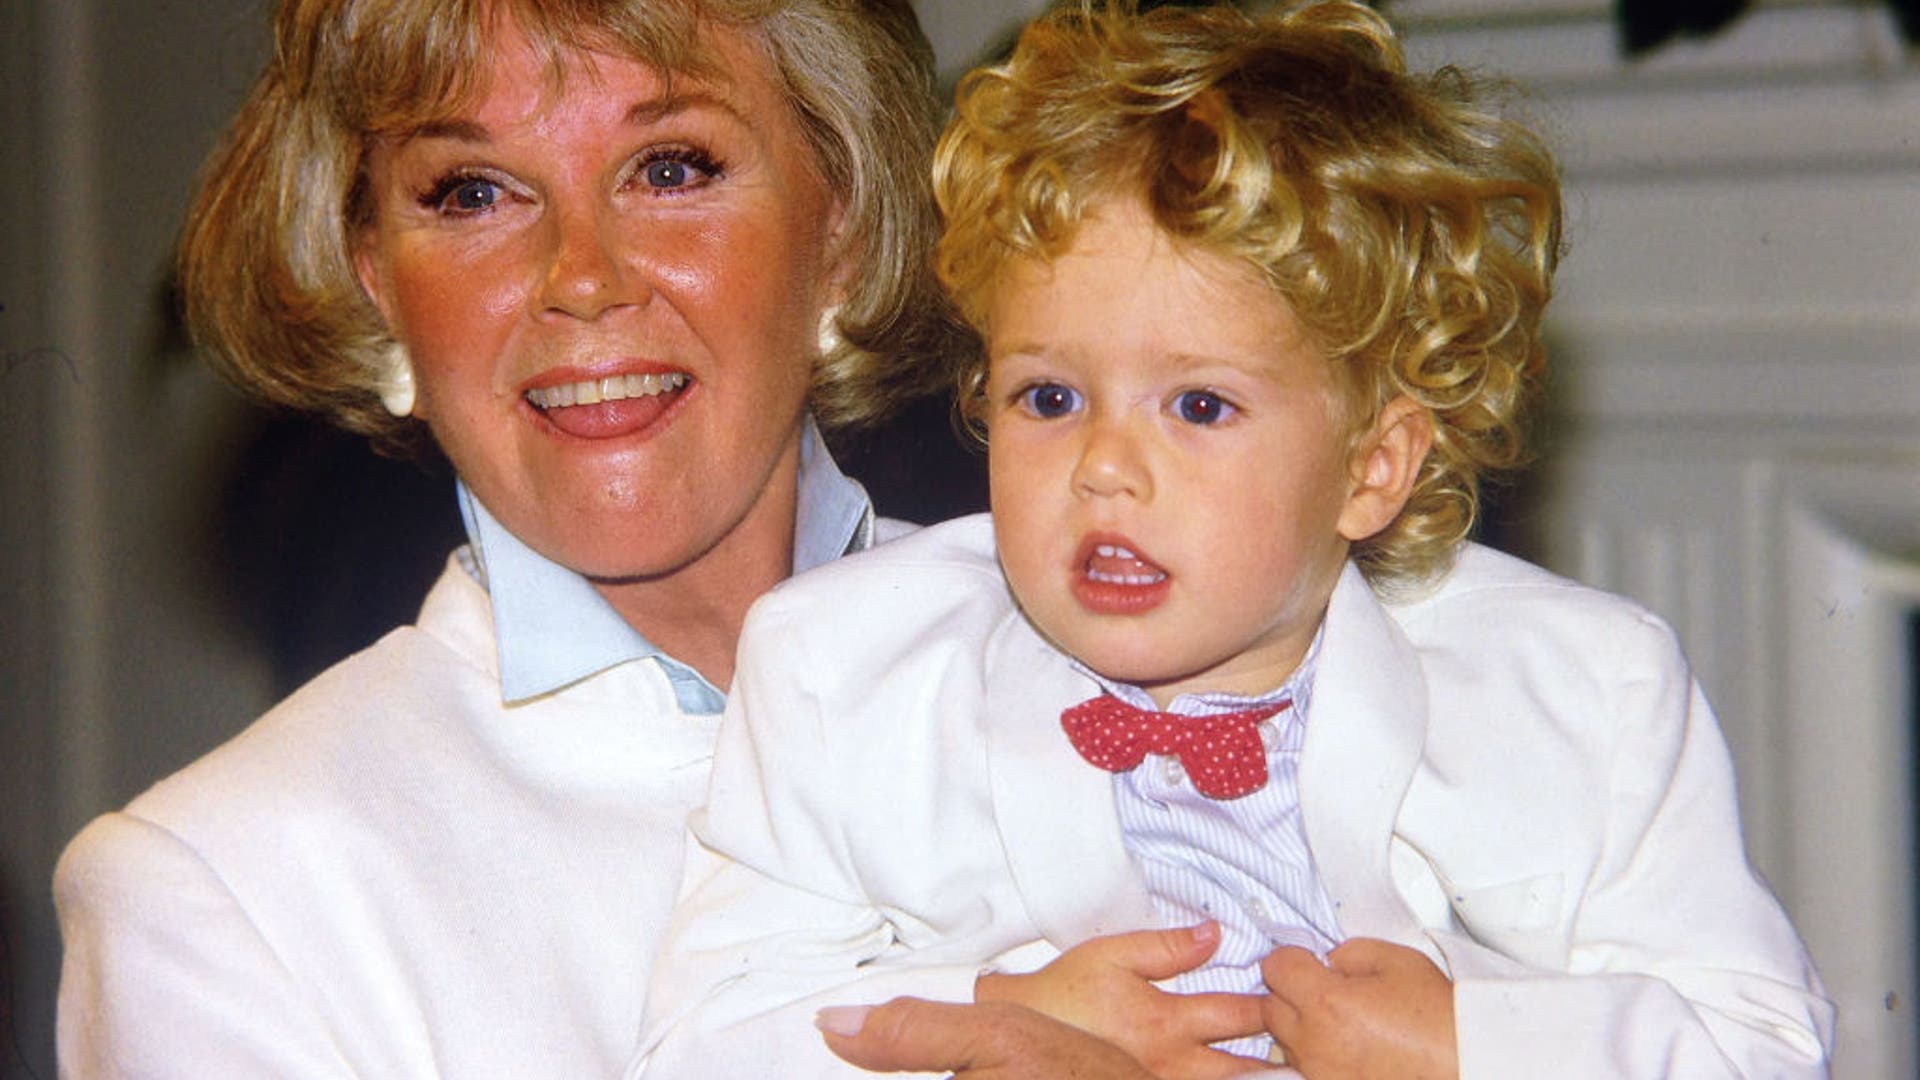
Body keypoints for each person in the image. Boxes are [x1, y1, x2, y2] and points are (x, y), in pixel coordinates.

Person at [633, 2, 1835, 1078]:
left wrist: (1467, 1043)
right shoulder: (847, 669)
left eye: (1199, 406)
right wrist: (998, 1010)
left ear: (1371, 469)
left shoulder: (1581, 690)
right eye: (1049, 398)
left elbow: (1765, 1049)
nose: (1103, 465)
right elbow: (701, 1042)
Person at [51, 0, 965, 1075]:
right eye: (473, 193)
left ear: (842, 229)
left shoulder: (1118, 670)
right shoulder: (225, 892)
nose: (582, 277)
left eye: (670, 169)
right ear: (376, 278)